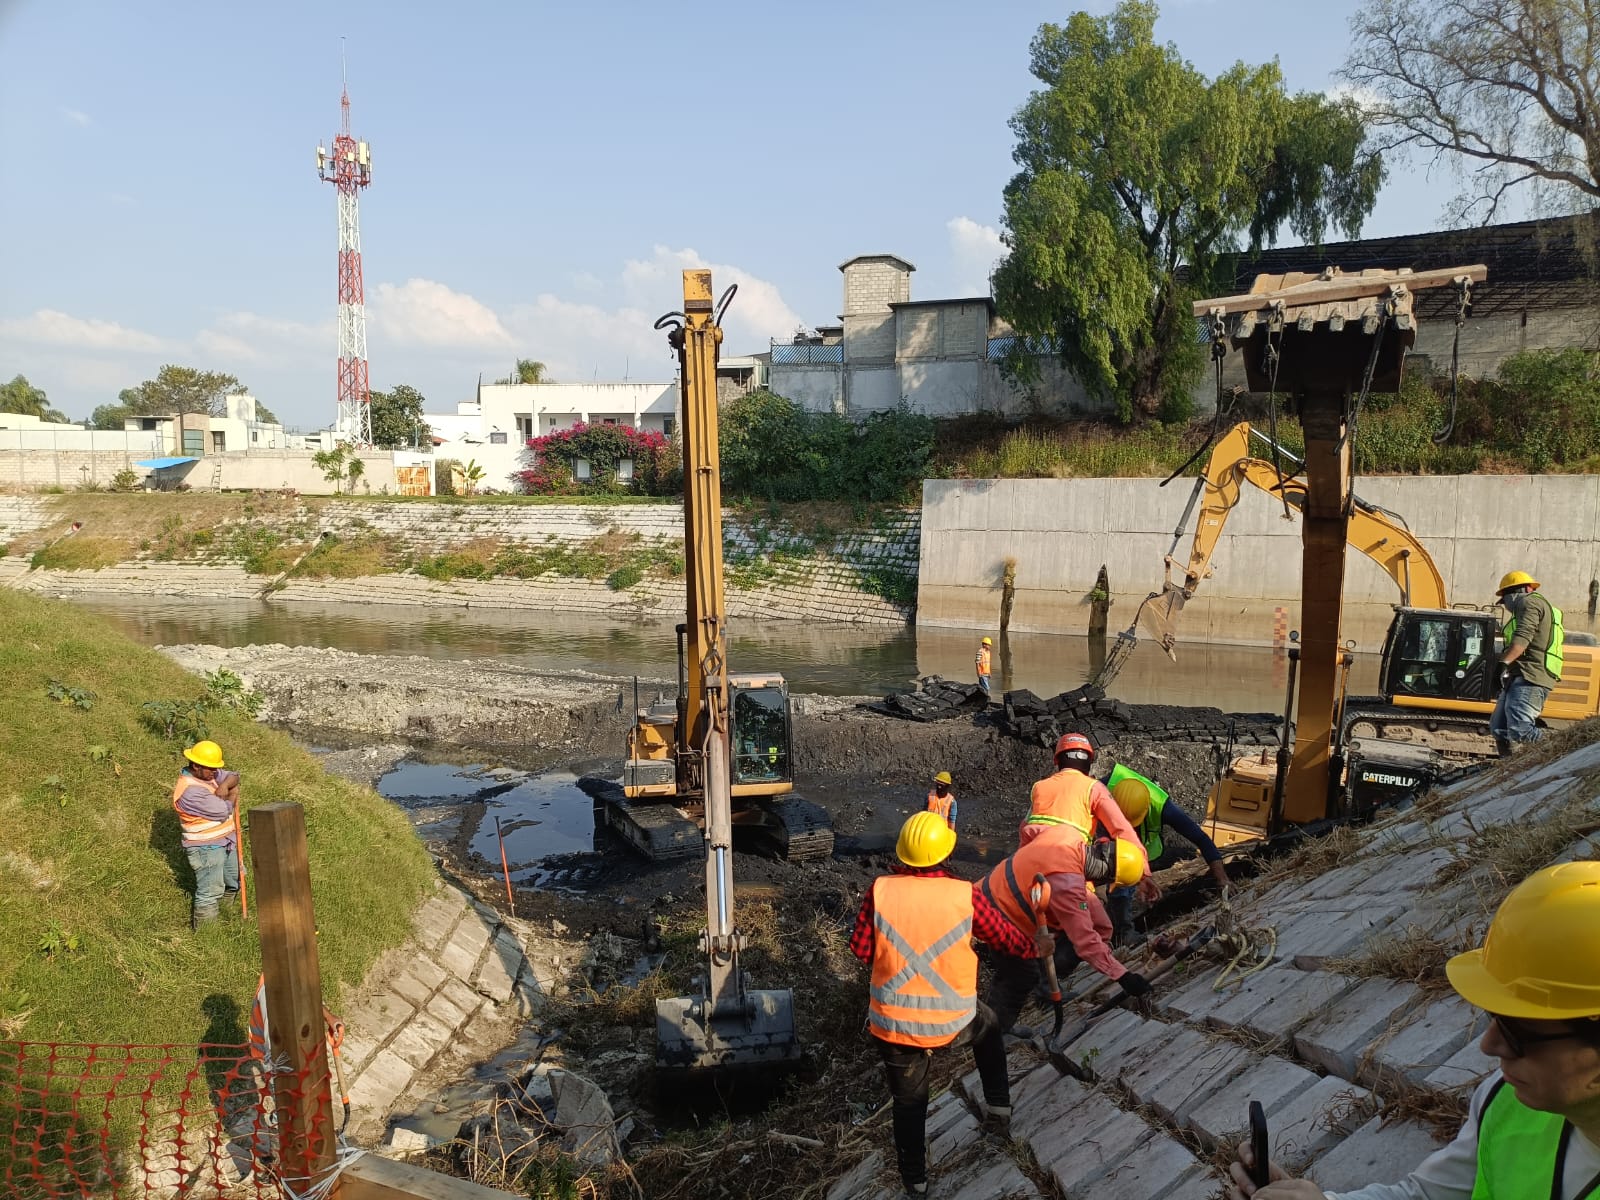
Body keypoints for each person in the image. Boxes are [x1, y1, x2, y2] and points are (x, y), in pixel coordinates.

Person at [1227, 860, 1600, 1200]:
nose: (1490, 1045)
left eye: (1519, 1033)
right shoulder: (1504, 1102)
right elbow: (1425, 1195)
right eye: (1495, 1018)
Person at [850, 812, 1042, 1197]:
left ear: (903, 853)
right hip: (953, 1018)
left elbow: (861, 949)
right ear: (946, 853)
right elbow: (1008, 941)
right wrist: (1036, 946)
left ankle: (915, 1183)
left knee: (908, 1103)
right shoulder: (964, 894)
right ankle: (999, 1113)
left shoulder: (880, 890)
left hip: (893, 1024)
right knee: (988, 1030)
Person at [978, 824, 1151, 1038]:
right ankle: (996, 1033)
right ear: (1105, 874)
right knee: (1022, 973)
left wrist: (1027, 861)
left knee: (1100, 924)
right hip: (999, 912)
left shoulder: (1067, 834)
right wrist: (1124, 977)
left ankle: (1005, 1013)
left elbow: (1028, 830)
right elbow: (1086, 942)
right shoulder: (1068, 885)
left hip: (992, 887)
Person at [1103, 765, 1229, 945]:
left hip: (1132, 847)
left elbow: (1201, 838)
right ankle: (1112, 929)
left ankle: (1122, 932)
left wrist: (1222, 879)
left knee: (1123, 880)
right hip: (1100, 832)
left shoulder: (1163, 807)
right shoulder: (1098, 793)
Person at [1021, 734, 1148, 855]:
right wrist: (1143, 869)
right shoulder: (1094, 788)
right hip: (1070, 857)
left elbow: (1024, 827)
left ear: (1058, 761)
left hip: (1034, 855)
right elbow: (1121, 829)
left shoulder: (1040, 786)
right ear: (1088, 762)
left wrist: (1021, 859)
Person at [1492, 571, 1564, 755]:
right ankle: (1507, 769)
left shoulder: (1528, 602)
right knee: (1499, 728)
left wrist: (1503, 663)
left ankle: (1558, 751)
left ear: (1517, 591)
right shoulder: (1538, 606)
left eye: (1504, 599)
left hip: (1531, 674)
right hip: (1520, 674)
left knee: (1520, 728)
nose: (1505, 605)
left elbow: (1523, 638)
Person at [172, 739, 241, 926]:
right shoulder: (190, 792)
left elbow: (234, 776)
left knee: (234, 881)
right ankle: (207, 934)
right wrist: (233, 793)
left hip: (227, 841)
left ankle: (227, 914)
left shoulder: (207, 775)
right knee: (210, 892)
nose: (215, 772)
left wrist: (225, 786)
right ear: (196, 765)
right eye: (211, 768)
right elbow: (223, 809)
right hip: (206, 849)